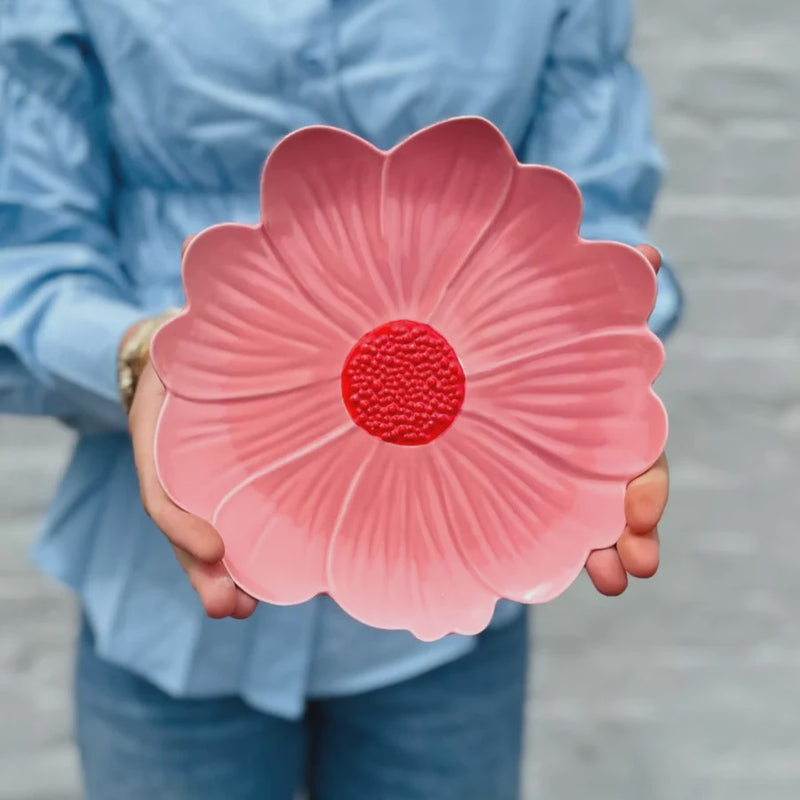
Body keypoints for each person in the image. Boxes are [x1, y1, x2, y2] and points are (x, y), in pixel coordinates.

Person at [0, 1, 681, 798]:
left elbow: (593, 227)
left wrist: (594, 362)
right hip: (163, 599)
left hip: (454, 595)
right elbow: (28, 256)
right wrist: (146, 356)